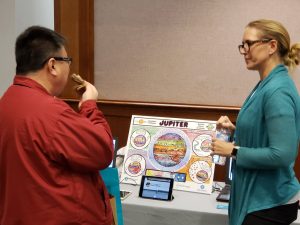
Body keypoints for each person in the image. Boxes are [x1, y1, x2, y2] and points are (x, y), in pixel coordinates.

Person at [0, 26, 114, 225]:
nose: (69, 67)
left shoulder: (6, 102)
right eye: (67, 61)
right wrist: (89, 106)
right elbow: (102, 150)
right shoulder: (51, 113)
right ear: (52, 65)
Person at [211, 19, 300, 225]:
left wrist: (232, 150)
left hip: (268, 203)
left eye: (249, 44)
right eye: (243, 45)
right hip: (259, 198)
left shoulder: (277, 90)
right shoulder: (266, 84)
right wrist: (235, 131)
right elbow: (267, 133)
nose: (244, 50)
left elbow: (282, 154)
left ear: (272, 46)